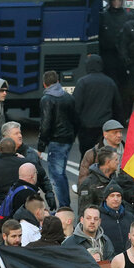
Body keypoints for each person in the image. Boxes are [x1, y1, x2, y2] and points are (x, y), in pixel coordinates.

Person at [37, 70, 77, 209]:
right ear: (58, 81)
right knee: (61, 173)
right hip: (68, 140)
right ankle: (65, 205)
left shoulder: (47, 99)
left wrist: (41, 146)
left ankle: (63, 207)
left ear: (44, 84)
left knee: (56, 176)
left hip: (56, 140)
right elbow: (75, 120)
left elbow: (45, 125)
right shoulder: (68, 97)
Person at [73, 55, 122, 155]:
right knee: (104, 155)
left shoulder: (82, 82)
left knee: (87, 155)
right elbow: (117, 105)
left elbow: (76, 106)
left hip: (86, 127)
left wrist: (75, 125)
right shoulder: (109, 82)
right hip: (105, 127)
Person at [78, 119, 126, 186]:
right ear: (105, 134)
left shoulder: (128, 151)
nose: (119, 135)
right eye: (115, 132)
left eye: (120, 132)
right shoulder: (92, 153)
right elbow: (83, 178)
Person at [100, 180, 134, 253]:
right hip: (108, 260)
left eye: (118, 195)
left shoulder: (130, 217)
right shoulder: (98, 217)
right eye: (112, 196)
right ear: (106, 198)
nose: (115, 199)